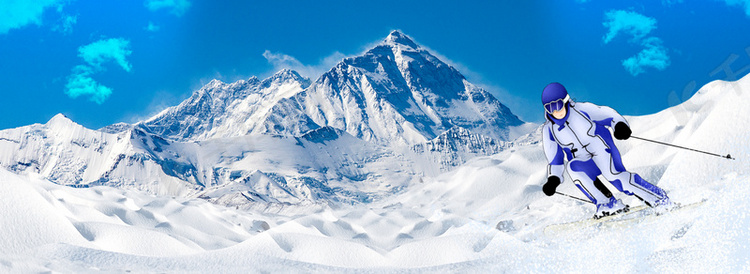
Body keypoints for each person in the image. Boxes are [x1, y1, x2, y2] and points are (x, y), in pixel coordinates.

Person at [540, 82, 671, 219]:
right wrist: (553, 179)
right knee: (573, 168)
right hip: (583, 160)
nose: (556, 111)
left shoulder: (581, 110)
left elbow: (608, 114)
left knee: (615, 177)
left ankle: (659, 199)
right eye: (550, 108)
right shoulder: (549, 129)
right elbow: (555, 157)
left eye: (558, 105)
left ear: (566, 101)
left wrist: (619, 126)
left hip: (602, 150)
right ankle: (607, 204)